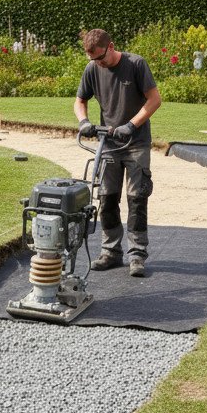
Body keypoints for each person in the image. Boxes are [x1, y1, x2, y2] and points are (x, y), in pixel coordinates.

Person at [74, 29, 162, 277]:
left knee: (137, 199)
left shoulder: (136, 64)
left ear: (111, 46)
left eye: (100, 58)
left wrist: (131, 125)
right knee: (107, 198)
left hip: (136, 143)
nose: (97, 63)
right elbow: (80, 100)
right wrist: (84, 121)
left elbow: (154, 100)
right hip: (109, 144)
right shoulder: (93, 68)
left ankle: (137, 255)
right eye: (92, 59)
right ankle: (111, 252)